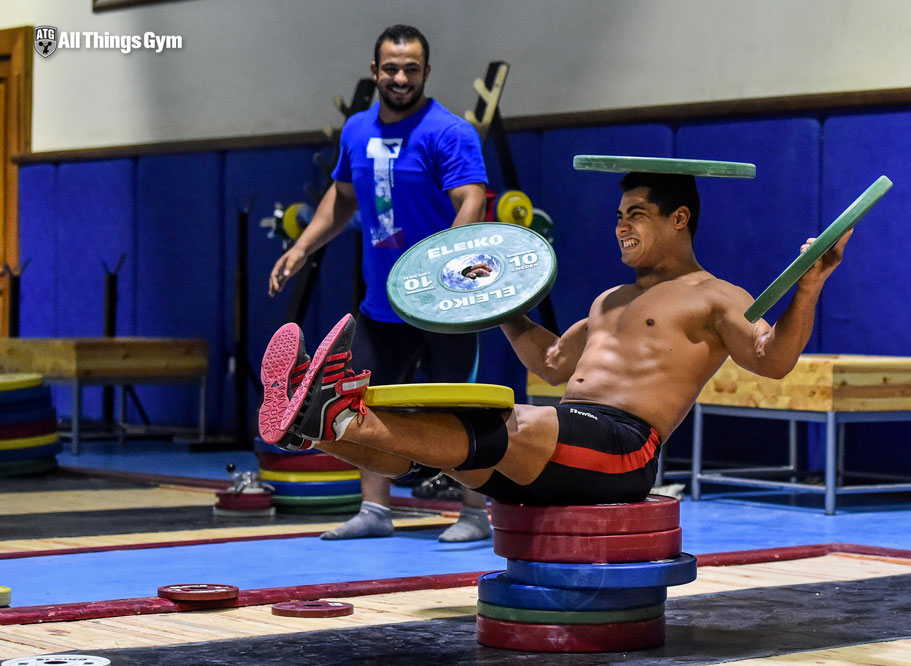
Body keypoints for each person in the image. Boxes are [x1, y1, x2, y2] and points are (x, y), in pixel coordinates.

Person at [260, 171, 852, 506]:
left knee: (507, 422)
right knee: (431, 436)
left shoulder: (716, 296)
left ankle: (335, 411)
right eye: (619, 214)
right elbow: (551, 361)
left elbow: (772, 361)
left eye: (637, 214)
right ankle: (315, 427)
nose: (621, 226)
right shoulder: (609, 301)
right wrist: (498, 307)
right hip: (563, 442)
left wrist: (810, 287)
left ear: (680, 220)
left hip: (624, 450)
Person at [263, 25, 492, 540]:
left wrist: (445, 270)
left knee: (462, 404)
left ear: (426, 73)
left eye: (412, 69)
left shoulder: (450, 132)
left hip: (445, 304)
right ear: (375, 71)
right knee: (362, 402)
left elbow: (471, 201)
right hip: (382, 303)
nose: (401, 77)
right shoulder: (356, 130)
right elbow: (341, 198)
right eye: (391, 68)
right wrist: (302, 247)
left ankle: (476, 513)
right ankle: (375, 511)